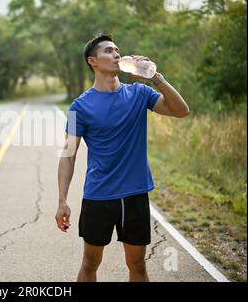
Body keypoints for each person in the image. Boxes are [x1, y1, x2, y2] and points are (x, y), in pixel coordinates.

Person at [55, 34, 190, 282]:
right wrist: (62, 199)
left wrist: (156, 79)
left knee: (137, 265)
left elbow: (182, 111)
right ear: (93, 61)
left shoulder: (139, 93)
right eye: (108, 51)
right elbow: (68, 154)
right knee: (90, 263)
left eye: (117, 50)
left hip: (134, 194)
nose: (117, 54)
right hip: (98, 196)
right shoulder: (78, 107)